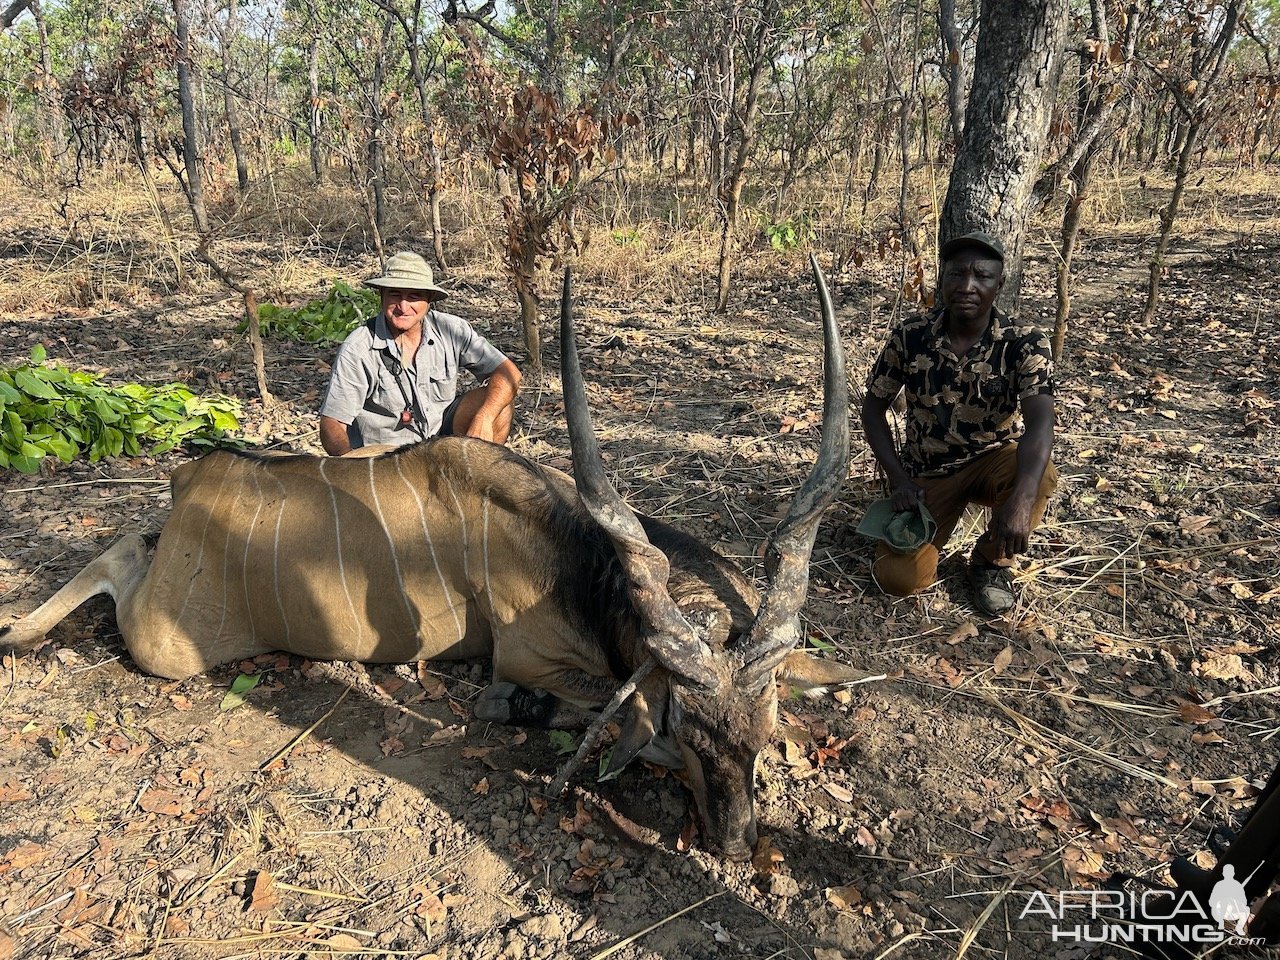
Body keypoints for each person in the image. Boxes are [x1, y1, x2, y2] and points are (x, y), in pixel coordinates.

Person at [859, 231, 1057, 615]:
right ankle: (929, 531)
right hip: (927, 474)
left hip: (992, 460)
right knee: (898, 579)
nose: (967, 286)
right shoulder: (910, 335)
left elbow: (1040, 423)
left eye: (981, 276)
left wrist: (1022, 497)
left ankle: (990, 562)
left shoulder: (1024, 341)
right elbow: (872, 409)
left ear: (999, 285)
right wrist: (899, 479)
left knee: (1040, 474)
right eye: (956, 274)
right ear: (942, 279)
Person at [319, 251, 522, 455]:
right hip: (388, 460)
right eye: (395, 294)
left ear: (429, 299)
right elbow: (332, 423)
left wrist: (484, 418)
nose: (403, 306)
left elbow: (509, 373)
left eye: (414, 296)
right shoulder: (359, 347)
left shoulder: (451, 330)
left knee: (498, 405)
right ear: (381, 295)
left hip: (441, 443)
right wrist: (352, 469)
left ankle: (474, 478)